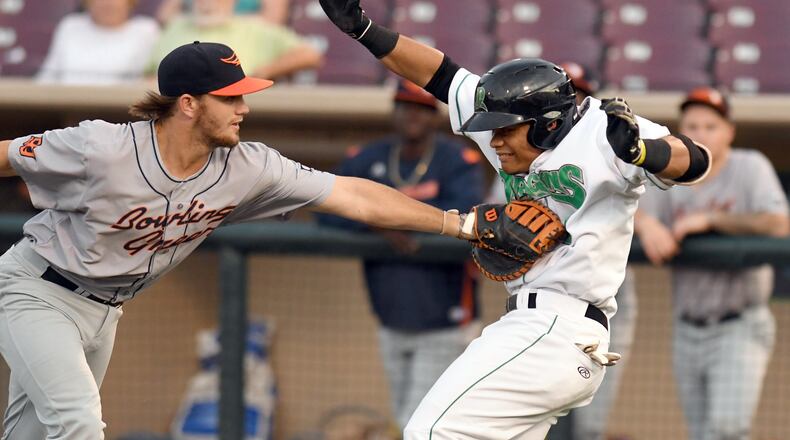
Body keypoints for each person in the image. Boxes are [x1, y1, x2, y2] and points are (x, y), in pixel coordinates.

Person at [0, 41, 475, 439]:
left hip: (106, 309)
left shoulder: (250, 167)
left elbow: (353, 196)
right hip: (37, 290)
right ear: (188, 104)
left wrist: (457, 225)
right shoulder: (100, 148)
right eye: (230, 98)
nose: (244, 108)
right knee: (78, 422)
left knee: (30, 434)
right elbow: (6, 157)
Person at [317, 1, 712, 438]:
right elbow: (440, 75)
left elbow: (695, 160)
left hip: (558, 325)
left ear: (547, 123)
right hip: (536, 329)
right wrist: (365, 30)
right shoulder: (506, 127)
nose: (495, 140)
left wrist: (644, 153)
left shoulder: (604, 131)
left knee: (430, 432)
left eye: (506, 129)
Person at [318, 79, 485, 429]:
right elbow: (324, 207)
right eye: (404, 105)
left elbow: (466, 214)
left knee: (423, 423)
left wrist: (395, 217)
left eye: (422, 108)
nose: (412, 115)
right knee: (406, 418)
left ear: (435, 116)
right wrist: (375, 224)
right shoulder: (368, 157)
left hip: (446, 318)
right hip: (390, 314)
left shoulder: (457, 159)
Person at [635, 87, 789, 440]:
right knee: (702, 432)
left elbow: (779, 223)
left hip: (739, 322)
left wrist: (710, 219)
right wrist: (647, 224)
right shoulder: (672, 174)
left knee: (727, 429)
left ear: (729, 132)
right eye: (693, 126)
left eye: (711, 126)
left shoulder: (750, 166)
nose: (701, 133)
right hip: (686, 326)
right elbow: (631, 211)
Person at [148, 0, 321, 81]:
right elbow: (149, 73)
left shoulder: (254, 28)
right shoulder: (176, 25)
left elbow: (309, 55)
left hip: (233, 103)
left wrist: (265, 72)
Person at [36, 0, 160, 85]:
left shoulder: (147, 31)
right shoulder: (70, 26)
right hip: (64, 113)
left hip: (122, 115)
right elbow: (46, 79)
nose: (107, 3)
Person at [156, 0, 290, 25]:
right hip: (192, 34)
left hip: (243, 39)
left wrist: (222, 19)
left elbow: (273, 20)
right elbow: (164, 16)